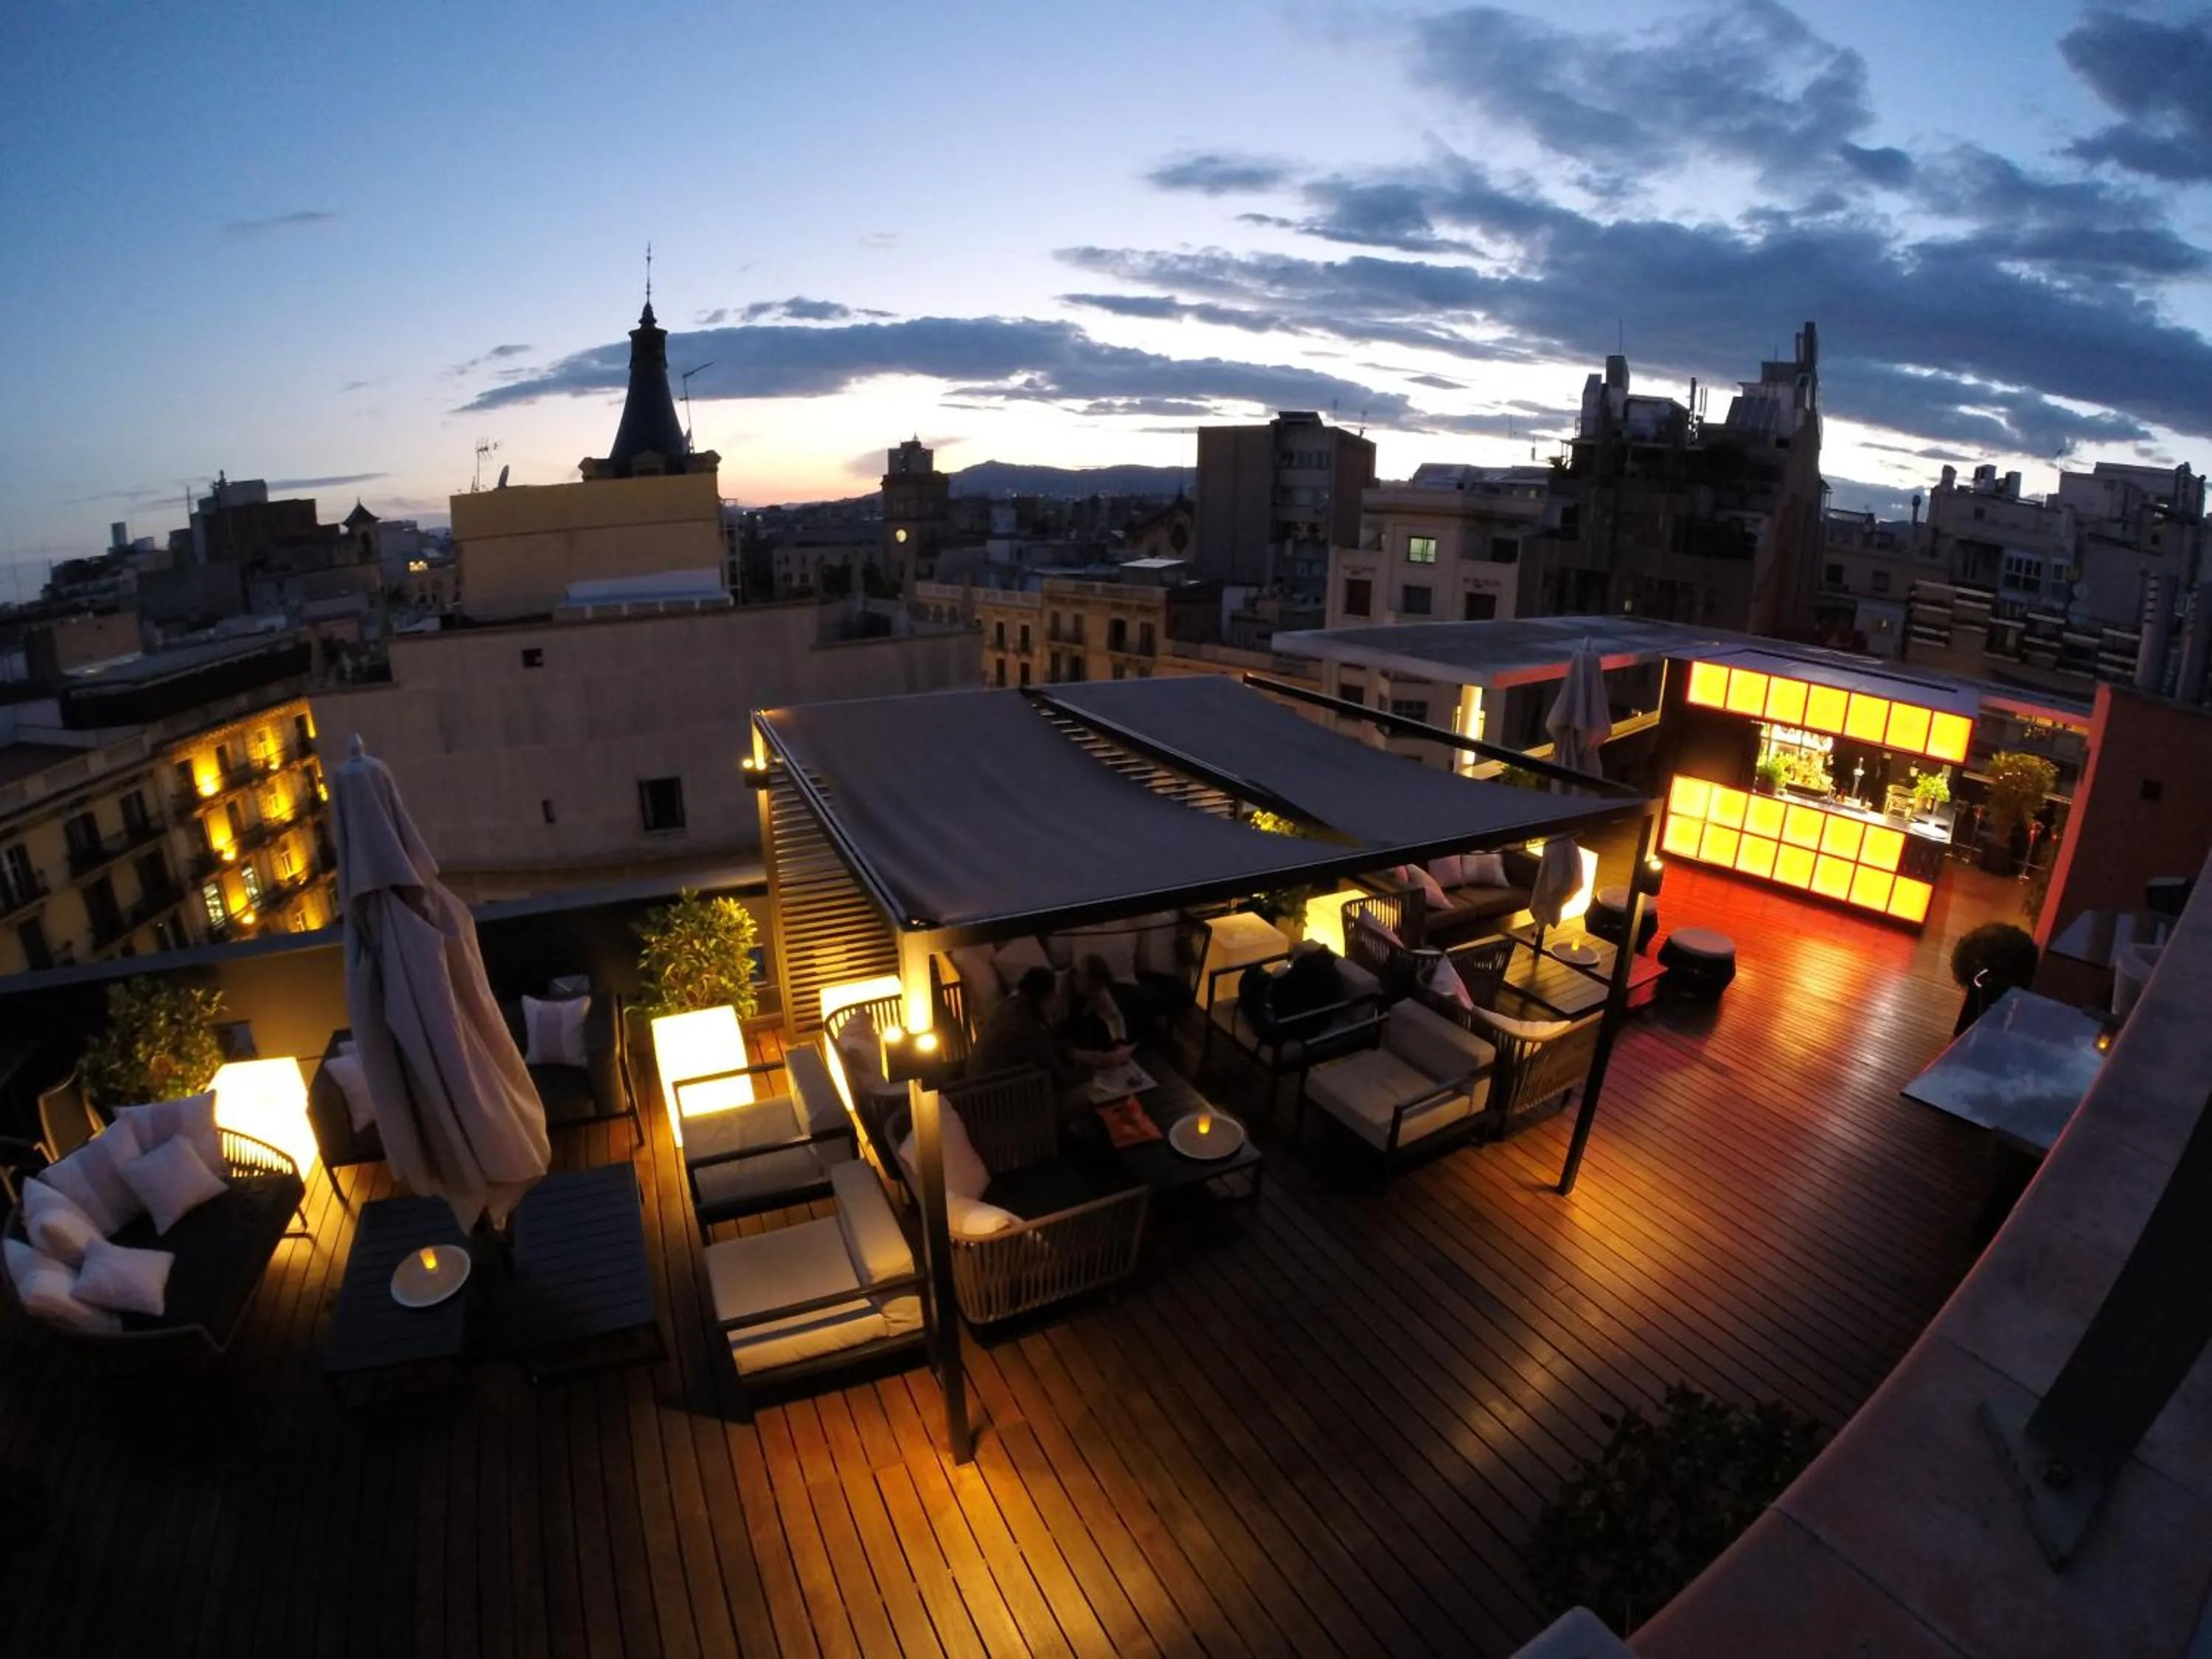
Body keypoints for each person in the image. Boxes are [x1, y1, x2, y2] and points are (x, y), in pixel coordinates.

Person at [968, 967, 1062, 1080]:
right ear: (1045, 997)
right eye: (1053, 997)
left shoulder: (1009, 1005)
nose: (1056, 1001)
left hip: (976, 1085)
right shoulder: (1026, 1026)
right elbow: (1053, 1071)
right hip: (1001, 1091)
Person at [1060, 953, 1135, 1077]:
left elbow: (1114, 1017)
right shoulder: (1060, 991)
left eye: (1096, 988)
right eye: (1090, 987)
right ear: (1078, 976)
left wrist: (1120, 1042)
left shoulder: (1098, 992)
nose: (1094, 992)